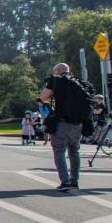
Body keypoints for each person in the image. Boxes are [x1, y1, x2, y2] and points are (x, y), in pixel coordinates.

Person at [39, 62, 89, 191]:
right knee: (74, 151)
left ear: (59, 70)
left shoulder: (56, 80)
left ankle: (65, 181)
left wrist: (41, 101)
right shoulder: (79, 82)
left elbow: (43, 97)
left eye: (54, 69)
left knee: (59, 151)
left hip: (62, 121)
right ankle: (74, 181)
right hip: (78, 123)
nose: (53, 72)